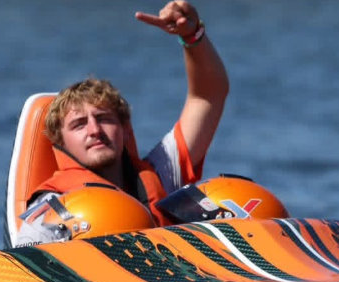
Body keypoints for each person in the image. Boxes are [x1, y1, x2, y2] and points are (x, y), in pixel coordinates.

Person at [15, 0, 228, 247]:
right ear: (61, 143)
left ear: (126, 130)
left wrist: (192, 37)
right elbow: (23, 263)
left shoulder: (161, 173)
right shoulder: (53, 203)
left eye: (104, 119)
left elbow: (207, 97)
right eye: (79, 124)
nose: (95, 130)